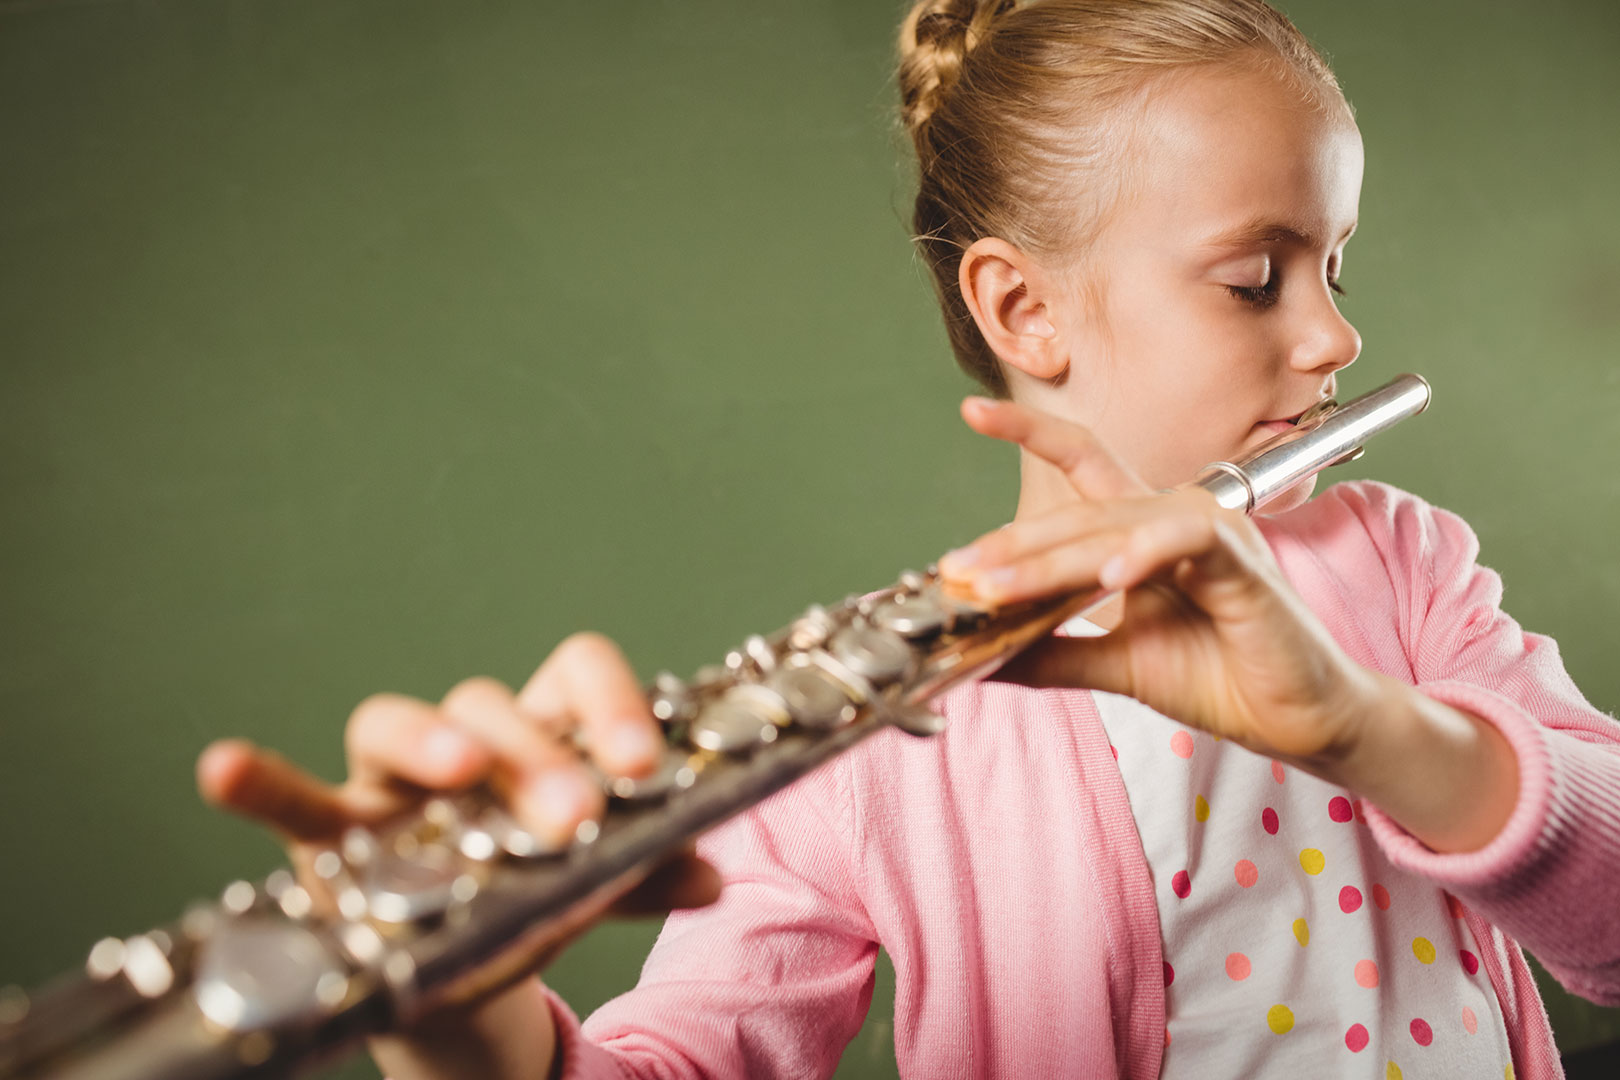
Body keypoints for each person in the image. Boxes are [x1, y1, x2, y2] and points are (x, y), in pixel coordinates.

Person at [195, 1, 1620, 1077]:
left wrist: (1367, 730)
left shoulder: (1402, 565)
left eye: (1334, 265)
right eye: (1255, 280)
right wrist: (461, 1007)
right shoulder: (883, 728)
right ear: (1024, 313)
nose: (1334, 334)